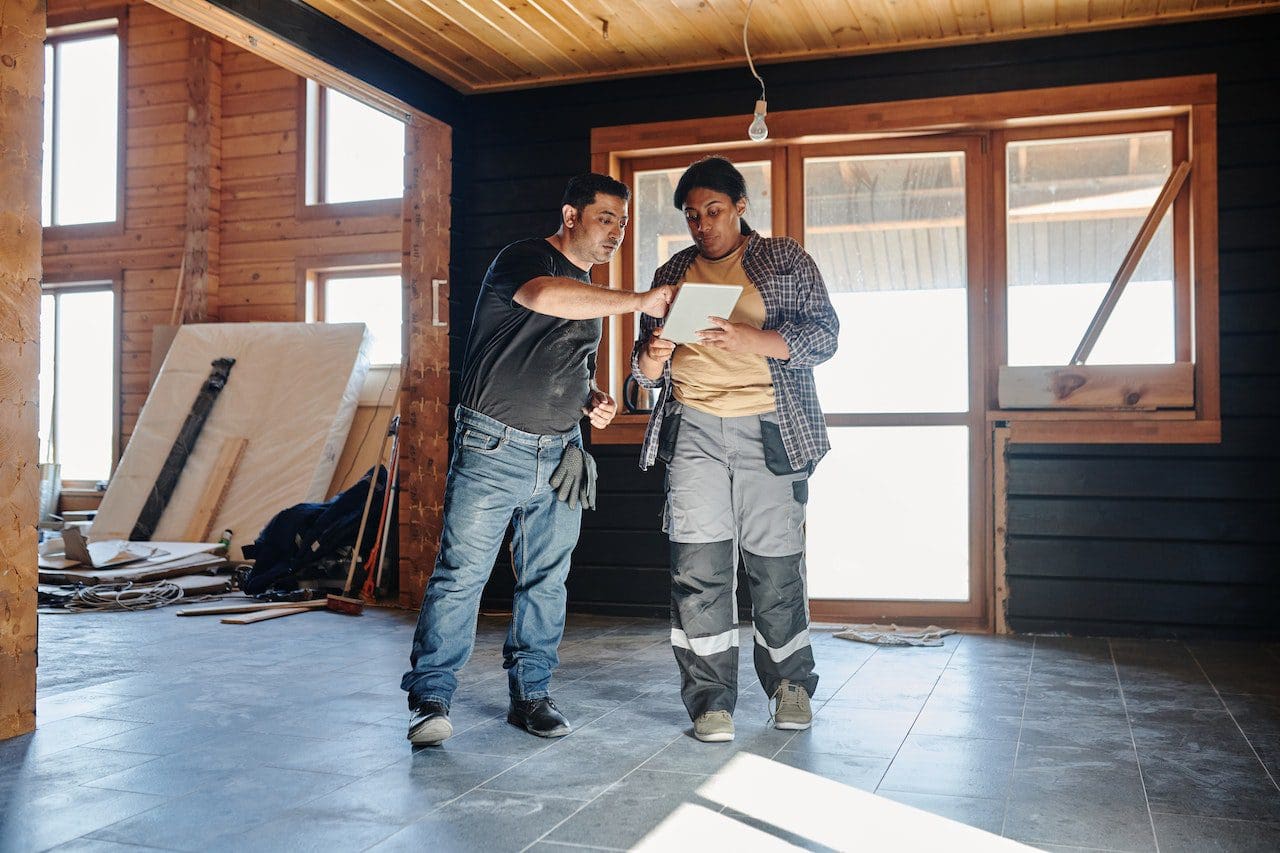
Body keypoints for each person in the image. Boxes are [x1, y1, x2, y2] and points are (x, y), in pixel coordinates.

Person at [402, 173, 674, 746]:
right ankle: (431, 699)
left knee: (547, 582)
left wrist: (590, 400)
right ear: (571, 216)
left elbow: (563, 363)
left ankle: (531, 695)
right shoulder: (523, 258)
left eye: (624, 223)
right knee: (460, 577)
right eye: (607, 219)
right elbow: (544, 298)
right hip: (491, 447)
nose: (618, 233)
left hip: (559, 456)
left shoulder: (590, 293)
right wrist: (642, 301)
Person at [632, 156, 838, 743]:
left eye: (713, 211)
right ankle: (710, 702)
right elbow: (642, 373)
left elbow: (825, 335)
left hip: (769, 428)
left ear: (741, 207)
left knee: (776, 569)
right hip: (692, 427)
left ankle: (789, 687)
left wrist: (752, 339)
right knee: (698, 568)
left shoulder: (783, 260)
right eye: (693, 216)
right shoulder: (674, 270)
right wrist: (653, 356)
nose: (702, 225)